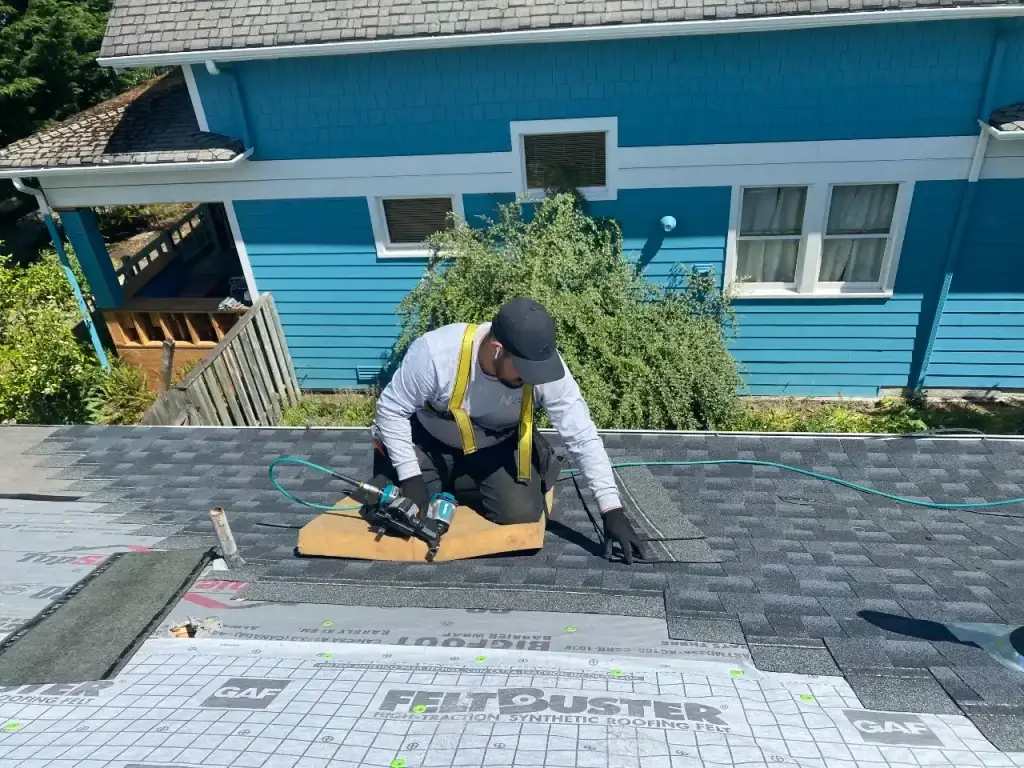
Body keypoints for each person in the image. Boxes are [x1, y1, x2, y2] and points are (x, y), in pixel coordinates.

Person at [370, 296, 647, 564]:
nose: (530, 378)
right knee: (398, 514)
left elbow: (582, 436)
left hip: (496, 445)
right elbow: (391, 409)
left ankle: (449, 486)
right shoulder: (436, 354)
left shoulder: (544, 367)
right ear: (497, 348)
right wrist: (409, 476)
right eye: (522, 370)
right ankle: (420, 479)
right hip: (430, 443)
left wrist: (611, 510)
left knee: (522, 511)